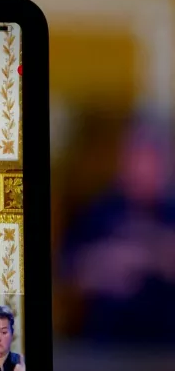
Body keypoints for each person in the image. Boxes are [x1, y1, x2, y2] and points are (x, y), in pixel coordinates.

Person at [58, 113, 175, 345]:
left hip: (166, 344)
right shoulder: (97, 211)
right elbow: (68, 274)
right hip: (106, 343)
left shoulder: (170, 213)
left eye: (153, 159)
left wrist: (155, 253)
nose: (144, 168)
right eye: (137, 157)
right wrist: (104, 264)